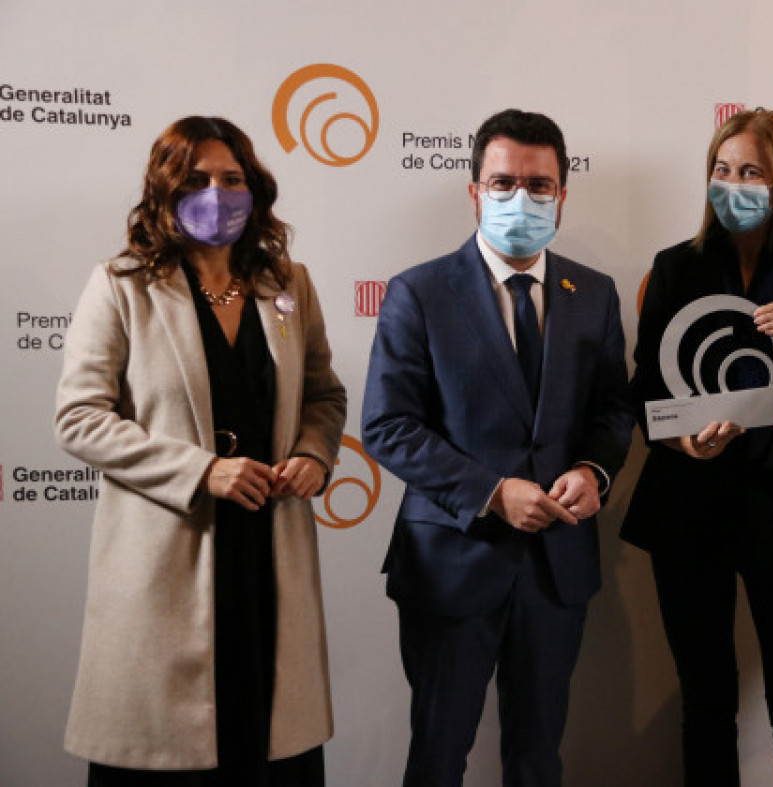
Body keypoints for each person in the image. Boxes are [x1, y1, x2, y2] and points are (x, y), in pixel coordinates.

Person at [54, 116, 347, 786]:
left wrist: (314, 453)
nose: (217, 194)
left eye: (232, 178)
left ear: (255, 190)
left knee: (270, 748)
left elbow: (325, 396)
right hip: (167, 556)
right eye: (195, 180)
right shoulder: (122, 284)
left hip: (268, 554)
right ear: (165, 190)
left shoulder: (288, 284)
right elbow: (79, 417)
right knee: (167, 759)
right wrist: (202, 471)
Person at [361, 108, 634, 787]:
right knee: (438, 756)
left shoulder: (594, 294)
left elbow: (611, 410)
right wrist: (491, 492)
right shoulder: (418, 291)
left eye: (539, 185)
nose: (521, 198)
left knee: (538, 757)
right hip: (451, 562)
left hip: (556, 566)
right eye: (503, 182)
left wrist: (593, 470)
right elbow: (388, 425)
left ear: (562, 196)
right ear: (474, 191)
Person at [621, 109, 773, 786]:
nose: (732, 184)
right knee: (705, 704)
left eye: (750, 172)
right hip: (688, 505)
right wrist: (682, 439)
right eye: (721, 170)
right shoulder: (675, 268)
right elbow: (644, 389)